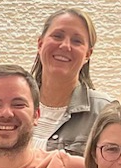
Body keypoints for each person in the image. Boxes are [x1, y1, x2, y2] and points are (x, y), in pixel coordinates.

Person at [28, 8, 111, 154]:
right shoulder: (13, 105)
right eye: (57, 36)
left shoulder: (103, 113)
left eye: (77, 41)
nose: (65, 46)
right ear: (40, 44)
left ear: (87, 54)